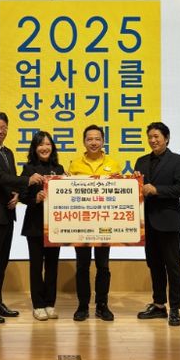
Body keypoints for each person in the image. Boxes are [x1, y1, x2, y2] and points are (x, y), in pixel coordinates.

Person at [0, 112, 44, 323]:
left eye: (3, 127)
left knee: (1, 263)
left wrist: (16, 194)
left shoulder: (8, 152)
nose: (0, 131)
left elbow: (9, 180)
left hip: (7, 213)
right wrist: (26, 181)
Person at [134, 122, 180, 327]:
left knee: (173, 266)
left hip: (168, 221)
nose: (153, 140)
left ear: (166, 138)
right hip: (147, 222)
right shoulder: (141, 161)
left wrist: (156, 190)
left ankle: (175, 308)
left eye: (156, 136)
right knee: (154, 264)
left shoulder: (178, 161)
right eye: (150, 137)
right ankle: (159, 305)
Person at [68, 124, 122, 322]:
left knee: (103, 266)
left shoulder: (113, 164)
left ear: (103, 141)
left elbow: (119, 192)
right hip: (81, 223)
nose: (93, 142)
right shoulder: (74, 165)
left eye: (97, 139)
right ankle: (82, 306)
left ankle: (102, 305)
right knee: (82, 266)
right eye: (89, 139)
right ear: (84, 142)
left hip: (105, 223)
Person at [20, 131, 65, 321]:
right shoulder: (29, 169)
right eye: (40, 144)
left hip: (55, 226)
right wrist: (35, 198)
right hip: (35, 225)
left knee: (53, 266)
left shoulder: (59, 169)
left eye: (48, 144)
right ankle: (38, 305)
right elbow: (22, 196)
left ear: (52, 147)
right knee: (36, 266)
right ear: (35, 148)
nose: (45, 148)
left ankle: (50, 304)